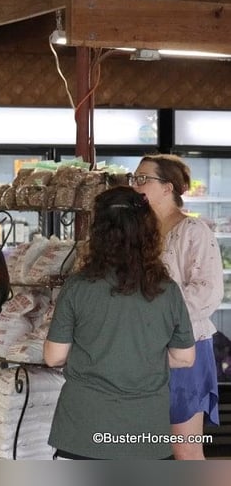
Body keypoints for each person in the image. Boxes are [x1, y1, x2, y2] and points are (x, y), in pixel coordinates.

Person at [44, 186, 195, 459]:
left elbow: (54, 357)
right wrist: (139, 356)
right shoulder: (167, 289)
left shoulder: (77, 287)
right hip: (147, 434)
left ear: (98, 232)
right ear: (148, 232)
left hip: (82, 433)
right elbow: (185, 357)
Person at [131, 154, 224, 459]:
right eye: (134, 178)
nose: (136, 184)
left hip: (185, 348)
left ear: (167, 187)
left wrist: (155, 314)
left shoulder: (193, 231)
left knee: (183, 449)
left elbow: (208, 291)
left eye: (143, 178)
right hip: (143, 351)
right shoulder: (138, 233)